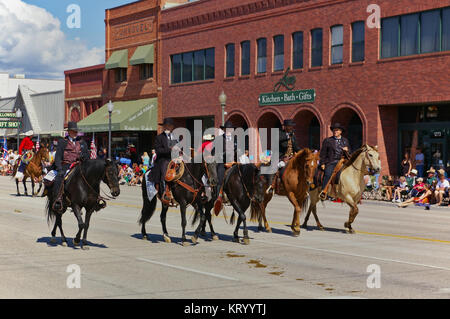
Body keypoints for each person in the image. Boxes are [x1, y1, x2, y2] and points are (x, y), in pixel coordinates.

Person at [52, 122, 90, 212]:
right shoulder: (62, 142)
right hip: (66, 165)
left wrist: (84, 156)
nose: (75, 133)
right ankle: (58, 199)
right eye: (73, 131)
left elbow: (87, 155)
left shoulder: (82, 142)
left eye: (76, 131)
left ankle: (93, 198)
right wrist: (59, 169)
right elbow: (58, 157)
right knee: (59, 178)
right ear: (69, 132)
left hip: (79, 165)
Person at [319, 123, 351, 200]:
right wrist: (322, 163)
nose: (335, 131)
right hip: (331, 161)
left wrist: (347, 150)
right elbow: (323, 153)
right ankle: (323, 192)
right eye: (334, 130)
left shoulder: (345, 141)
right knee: (328, 174)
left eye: (337, 130)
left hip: (343, 161)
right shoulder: (328, 140)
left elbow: (350, 151)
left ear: (341, 131)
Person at [148, 118, 178, 199]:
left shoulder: (174, 137)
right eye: (166, 126)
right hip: (162, 159)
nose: (168, 127)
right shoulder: (159, 137)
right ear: (164, 127)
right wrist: (170, 149)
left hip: (173, 159)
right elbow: (158, 150)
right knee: (165, 169)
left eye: (170, 126)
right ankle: (165, 191)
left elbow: (177, 148)